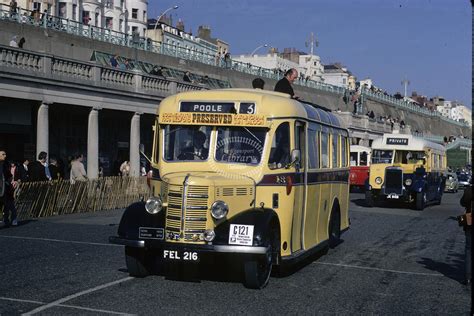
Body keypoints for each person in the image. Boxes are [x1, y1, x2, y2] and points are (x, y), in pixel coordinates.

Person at [0, 151, 18, 227]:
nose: (5, 155)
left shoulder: (5, 164)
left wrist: (9, 182)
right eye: (3, 154)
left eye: (5, 154)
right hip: (0, 188)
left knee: (9, 205)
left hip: (6, 187)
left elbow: (10, 176)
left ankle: (13, 219)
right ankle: (5, 220)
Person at [460, 182, 472, 285]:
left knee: (468, 250)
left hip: (470, 222)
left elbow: (462, 203)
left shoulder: (469, 191)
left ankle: (467, 277)